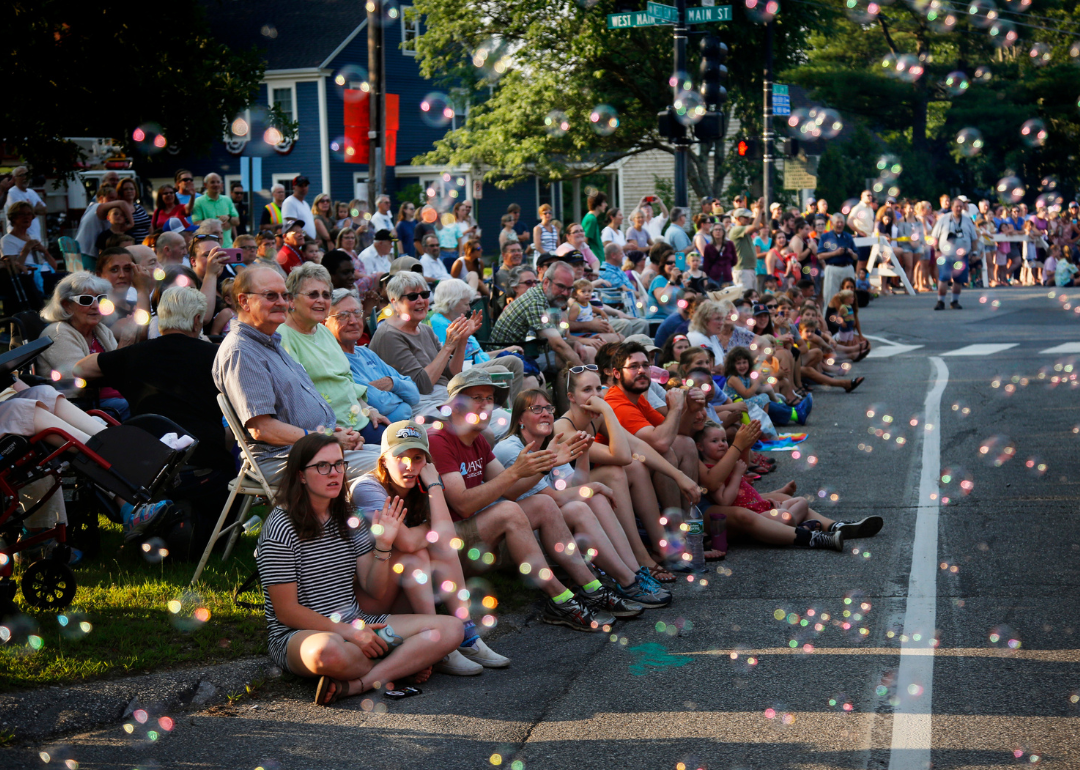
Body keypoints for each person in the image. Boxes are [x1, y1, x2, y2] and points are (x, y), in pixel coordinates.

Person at [257, 433, 463, 705]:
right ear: (301, 475)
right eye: (322, 466)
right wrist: (350, 634)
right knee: (328, 653)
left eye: (339, 464)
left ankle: (361, 683)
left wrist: (384, 545)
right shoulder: (280, 527)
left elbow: (374, 589)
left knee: (452, 629)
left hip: (358, 621)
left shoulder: (347, 515)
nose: (334, 473)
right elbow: (287, 611)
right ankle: (402, 665)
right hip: (299, 635)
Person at [427, 370, 618, 631]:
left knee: (543, 504)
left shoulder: (478, 440)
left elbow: (511, 489)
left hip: (476, 535)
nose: (486, 405)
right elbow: (462, 504)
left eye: (489, 398)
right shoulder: (438, 440)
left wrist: (547, 463)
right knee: (508, 511)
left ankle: (593, 588)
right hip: (450, 547)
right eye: (476, 398)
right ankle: (561, 599)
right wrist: (515, 471)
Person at [73, 286, 234, 541]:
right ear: (196, 321)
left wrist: (119, 359)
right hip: (209, 469)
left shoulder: (135, 355)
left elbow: (80, 368)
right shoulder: (217, 356)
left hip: (148, 469)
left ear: (162, 320)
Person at [351, 422, 511, 674]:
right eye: (400, 457)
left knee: (430, 550)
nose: (409, 466)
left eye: (417, 458)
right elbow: (407, 542)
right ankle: (439, 644)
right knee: (415, 553)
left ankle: (466, 634)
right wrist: (431, 529)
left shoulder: (424, 485)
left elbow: (446, 541)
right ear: (383, 461)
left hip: (401, 596)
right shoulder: (367, 488)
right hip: (369, 600)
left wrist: (434, 484)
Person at [495, 389, 670, 609]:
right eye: (536, 409)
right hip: (519, 540)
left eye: (548, 408)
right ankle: (627, 580)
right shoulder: (511, 448)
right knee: (582, 503)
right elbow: (554, 500)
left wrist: (584, 453)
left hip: (549, 523)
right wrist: (594, 486)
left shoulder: (550, 443)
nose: (546, 414)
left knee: (592, 499)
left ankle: (633, 574)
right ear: (520, 418)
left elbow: (575, 487)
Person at [212, 265, 380, 489]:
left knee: (408, 450)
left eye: (284, 295)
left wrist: (335, 433)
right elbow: (262, 429)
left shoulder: (268, 341)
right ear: (244, 301)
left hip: (314, 448)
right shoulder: (242, 351)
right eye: (270, 295)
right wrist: (328, 439)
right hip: (286, 459)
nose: (281, 302)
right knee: (397, 464)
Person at [277, 263, 389, 443]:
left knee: (415, 444)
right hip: (328, 434)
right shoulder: (283, 336)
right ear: (291, 300)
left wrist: (370, 411)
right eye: (313, 294)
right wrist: (331, 436)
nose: (321, 300)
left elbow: (346, 381)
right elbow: (296, 400)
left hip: (360, 423)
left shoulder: (323, 332)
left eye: (326, 295)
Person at [369, 271, 480, 418]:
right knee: (480, 426)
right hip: (420, 405)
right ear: (395, 303)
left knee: (493, 415)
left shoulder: (425, 329)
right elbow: (422, 386)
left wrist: (462, 341)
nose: (421, 300)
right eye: (413, 296)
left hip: (445, 396)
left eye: (425, 294)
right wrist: (448, 346)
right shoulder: (389, 334)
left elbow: (452, 374)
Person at [38, 271, 131, 418]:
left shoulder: (101, 330)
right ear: (66, 305)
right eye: (86, 300)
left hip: (110, 397)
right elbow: (77, 378)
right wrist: (125, 345)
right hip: (80, 405)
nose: (95, 306)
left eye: (100, 299)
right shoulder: (57, 333)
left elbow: (122, 369)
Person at [429, 278, 530, 401]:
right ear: (451, 302)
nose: (468, 309)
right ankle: (508, 413)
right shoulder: (439, 325)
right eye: (466, 304)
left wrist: (505, 350)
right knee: (502, 369)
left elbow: (475, 354)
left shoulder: (455, 321)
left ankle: (515, 410)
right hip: (462, 370)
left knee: (515, 361)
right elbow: (451, 359)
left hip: (474, 364)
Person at [326, 289, 419, 422]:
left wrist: (391, 382)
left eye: (357, 313)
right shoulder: (333, 361)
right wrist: (401, 399)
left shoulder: (365, 352)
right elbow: (381, 404)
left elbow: (414, 394)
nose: (353, 321)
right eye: (343, 315)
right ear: (325, 323)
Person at [489, 259, 584, 371]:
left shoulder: (550, 298)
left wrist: (574, 344)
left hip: (527, 350)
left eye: (569, 289)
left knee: (584, 353)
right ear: (546, 282)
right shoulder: (535, 302)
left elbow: (559, 338)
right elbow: (557, 345)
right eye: (561, 286)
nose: (565, 293)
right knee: (564, 361)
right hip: (504, 359)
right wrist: (586, 371)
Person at [929, 196, 977, 310]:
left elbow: (974, 238)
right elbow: (934, 236)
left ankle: (954, 301)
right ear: (952, 207)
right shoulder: (943, 219)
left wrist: (974, 253)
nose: (959, 209)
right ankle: (940, 301)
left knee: (959, 279)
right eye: (957, 206)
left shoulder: (967, 220)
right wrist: (936, 250)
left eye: (961, 206)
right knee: (944, 277)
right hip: (945, 255)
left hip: (962, 256)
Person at [818, 213, 859, 303]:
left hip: (847, 267)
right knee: (831, 297)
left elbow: (856, 256)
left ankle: (849, 316)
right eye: (838, 222)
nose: (840, 225)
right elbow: (820, 255)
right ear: (832, 223)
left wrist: (851, 253)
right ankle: (830, 316)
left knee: (849, 297)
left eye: (841, 222)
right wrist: (835, 253)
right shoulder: (825, 237)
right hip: (832, 268)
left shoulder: (848, 236)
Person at [191, 174, 239, 248]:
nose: (216, 184)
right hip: (208, 247)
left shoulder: (227, 200)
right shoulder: (198, 202)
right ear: (205, 185)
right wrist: (217, 224)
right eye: (212, 182)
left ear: (221, 184)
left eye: (218, 182)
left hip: (228, 246)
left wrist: (228, 217)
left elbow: (237, 221)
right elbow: (196, 223)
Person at [730, 202, 766, 290]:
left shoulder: (743, 229)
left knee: (752, 297)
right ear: (738, 218)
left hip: (749, 269)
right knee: (745, 297)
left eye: (749, 217)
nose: (748, 219)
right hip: (742, 270)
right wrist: (760, 209)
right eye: (746, 217)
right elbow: (755, 226)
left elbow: (762, 225)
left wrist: (762, 213)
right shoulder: (736, 229)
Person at [5, 167, 47, 242]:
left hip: (36, 237)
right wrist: (35, 209)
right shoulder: (12, 193)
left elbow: (44, 210)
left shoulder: (32, 192)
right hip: (19, 238)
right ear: (14, 178)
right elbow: (20, 212)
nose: (25, 177)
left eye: (27, 175)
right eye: (22, 175)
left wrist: (30, 209)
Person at [581, 192, 607, 257]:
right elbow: (584, 241)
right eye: (603, 202)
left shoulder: (591, 218)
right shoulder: (591, 219)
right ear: (598, 204)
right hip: (596, 258)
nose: (606, 205)